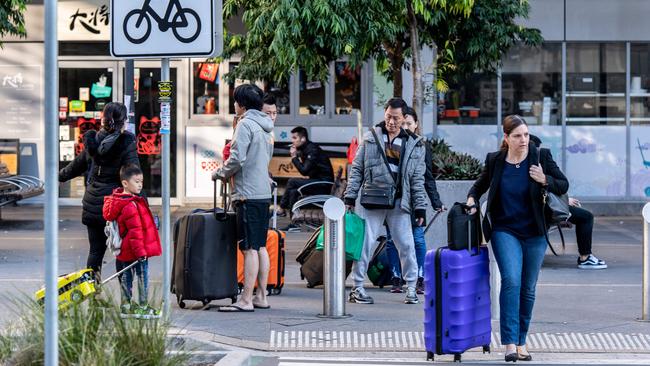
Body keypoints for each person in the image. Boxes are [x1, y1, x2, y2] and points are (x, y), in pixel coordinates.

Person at [466, 115, 568, 362]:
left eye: (525, 134)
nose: (524, 140)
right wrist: (471, 200)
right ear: (506, 138)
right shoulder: (496, 160)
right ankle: (510, 343)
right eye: (517, 136)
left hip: (534, 231)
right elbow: (479, 186)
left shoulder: (540, 156)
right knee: (511, 281)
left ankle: (522, 341)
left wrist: (545, 179)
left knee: (528, 288)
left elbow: (563, 184)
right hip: (504, 230)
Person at [344, 97, 428, 305]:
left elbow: (417, 179)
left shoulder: (414, 144)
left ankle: (411, 287)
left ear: (405, 118)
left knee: (406, 245)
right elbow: (357, 169)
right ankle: (358, 287)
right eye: (388, 116)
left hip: (400, 201)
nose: (391, 121)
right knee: (365, 244)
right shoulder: (371, 137)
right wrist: (350, 195)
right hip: (371, 199)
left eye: (396, 118)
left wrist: (420, 208)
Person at [212, 84, 274, 312]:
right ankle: (261, 296)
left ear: (242, 104)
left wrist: (219, 173)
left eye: (235, 101)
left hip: (247, 193)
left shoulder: (246, 124)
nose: (234, 105)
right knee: (259, 246)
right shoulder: (267, 126)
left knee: (248, 248)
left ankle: (246, 300)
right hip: (263, 193)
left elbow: (237, 159)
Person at [59, 102, 139, 276]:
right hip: (117, 206)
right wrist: (143, 206)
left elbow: (76, 166)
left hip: (93, 204)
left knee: (95, 252)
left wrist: (59, 177)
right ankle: (126, 300)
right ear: (123, 121)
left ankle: (94, 296)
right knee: (122, 253)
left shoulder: (93, 140)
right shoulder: (126, 142)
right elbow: (134, 176)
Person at [384, 106, 445, 294]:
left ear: (416, 125)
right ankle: (396, 277)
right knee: (391, 239)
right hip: (392, 200)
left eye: (409, 123)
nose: (405, 127)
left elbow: (427, 177)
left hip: (414, 201)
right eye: (403, 123)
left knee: (418, 239)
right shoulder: (390, 142)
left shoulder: (420, 146)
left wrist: (436, 202)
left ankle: (420, 277)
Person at [528, 135, 607, 270]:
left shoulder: (511, 160)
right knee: (586, 217)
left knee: (584, 216)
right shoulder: (542, 156)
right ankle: (585, 257)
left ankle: (585, 257)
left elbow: (561, 184)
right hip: (544, 210)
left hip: (537, 209)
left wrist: (545, 181)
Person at [103, 164, 162, 318]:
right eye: (136, 181)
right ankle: (143, 307)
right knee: (143, 279)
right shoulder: (130, 205)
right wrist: (141, 253)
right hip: (137, 251)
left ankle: (126, 306)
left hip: (125, 251)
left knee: (126, 279)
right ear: (125, 183)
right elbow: (136, 233)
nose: (140, 185)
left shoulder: (123, 201)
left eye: (141, 181)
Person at [278, 126, 334, 232]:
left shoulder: (312, 150)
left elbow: (304, 171)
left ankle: (281, 208)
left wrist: (294, 157)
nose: (292, 141)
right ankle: (294, 224)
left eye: (295, 138)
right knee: (293, 192)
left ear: (303, 139)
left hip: (323, 184)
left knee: (292, 181)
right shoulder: (304, 149)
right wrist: (298, 155)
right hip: (317, 182)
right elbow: (307, 171)